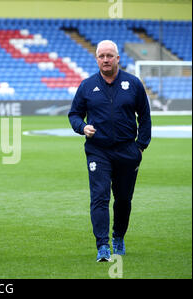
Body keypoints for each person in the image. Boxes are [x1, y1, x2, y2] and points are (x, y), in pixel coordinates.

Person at [68, 40, 151, 262]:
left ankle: (118, 236)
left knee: (123, 199)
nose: (105, 59)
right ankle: (102, 245)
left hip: (127, 151)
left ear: (117, 58)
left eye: (109, 55)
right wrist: (82, 127)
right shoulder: (87, 85)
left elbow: (144, 116)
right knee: (99, 197)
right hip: (98, 151)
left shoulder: (133, 84)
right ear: (96, 59)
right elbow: (74, 114)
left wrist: (141, 146)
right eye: (101, 56)